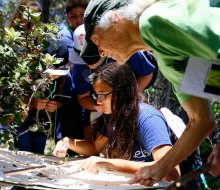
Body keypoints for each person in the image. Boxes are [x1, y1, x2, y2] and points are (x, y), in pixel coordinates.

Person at [80, 0, 220, 184]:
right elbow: (201, 120)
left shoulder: (153, 21)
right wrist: (158, 168)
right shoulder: (166, 58)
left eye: (98, 41)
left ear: (115, 19)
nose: (101, 52)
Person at [53, 63, 206, 189]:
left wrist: (110, 164)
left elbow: (171, 172)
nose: (98, 101)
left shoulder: (148, 118)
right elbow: (94, 148)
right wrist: (67, 142)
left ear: (121, 92)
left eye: (102, 94)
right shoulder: (113, 116)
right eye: (95, 95)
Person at [71, 24, 158, 112]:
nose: (89, 63)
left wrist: (132, 97)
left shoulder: (123, 49)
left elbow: (147, 74)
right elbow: (83, 98)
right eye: (84, 58)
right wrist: (99, 106)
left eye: (93, 57)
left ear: (103, 48)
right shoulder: (79, 67)